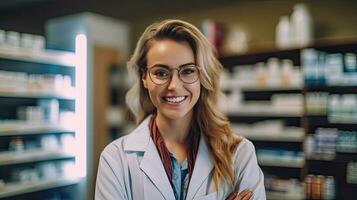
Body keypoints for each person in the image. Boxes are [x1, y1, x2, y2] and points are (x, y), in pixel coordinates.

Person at [95, 19, 266, 200]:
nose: (174, 85)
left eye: (187, 71)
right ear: (144, 77)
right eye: (161, 73)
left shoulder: (239, 153)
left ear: (202, 76)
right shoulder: (115, 159)